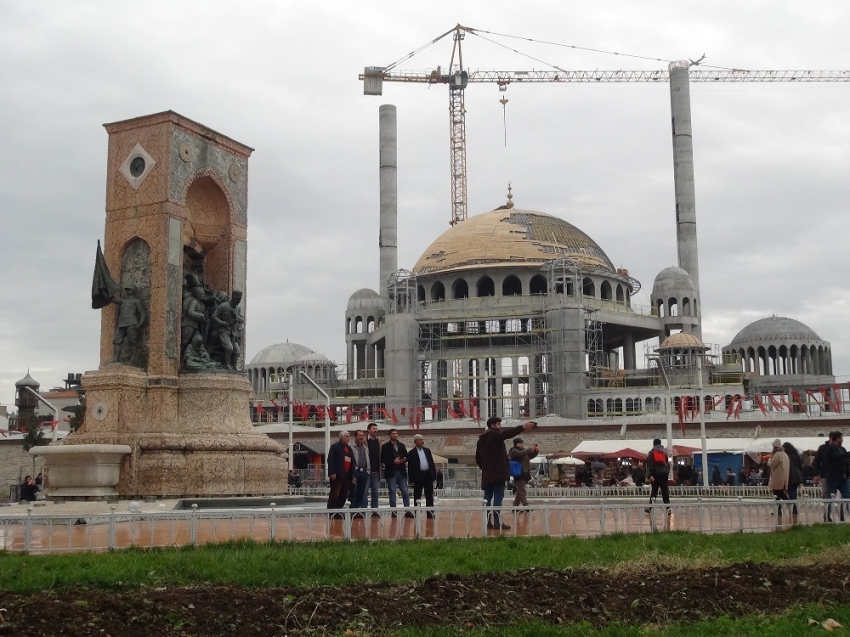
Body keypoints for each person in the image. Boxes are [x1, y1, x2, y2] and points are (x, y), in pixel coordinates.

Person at [475, 416, 536, 530]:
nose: (500, 426)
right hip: (498, 473)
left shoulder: (481, 440)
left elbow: (478, 458)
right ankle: (497, 522)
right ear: (492, 426)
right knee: (498, 496)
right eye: (498, 424)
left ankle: (488, 522)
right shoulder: (495, 434)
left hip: (487, 473)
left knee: (487, 497)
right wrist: (522, 427)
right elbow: (508, 434)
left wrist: (485, 468)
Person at [107, 283, 146, 364]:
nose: (126, 291)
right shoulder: (123, 300)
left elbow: (142, 313)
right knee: (116, 340)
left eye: (128, 289)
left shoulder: (136, 301)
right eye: (126, 290)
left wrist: (139, 324)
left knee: (132, 342)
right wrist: (107, 291)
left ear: (132, 291)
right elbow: (113, 299)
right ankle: (115, 358)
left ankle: (132, 360)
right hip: (122, 324)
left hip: (131, 323)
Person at [381, 428, 411, 512]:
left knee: (405, 491)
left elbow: (406, 455)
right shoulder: (385, 446)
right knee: (392, 492)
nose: (395, 435)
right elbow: (383, 459)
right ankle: (393, 510)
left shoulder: (401, 445)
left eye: (396, 433)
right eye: (393, 433)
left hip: (401, 471)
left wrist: (404, 459)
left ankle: (407, 509)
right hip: (391, 472)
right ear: (390, 435)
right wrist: (393, 462)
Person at [823, 431, 850, 522]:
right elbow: (837, 457)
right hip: (833, 477)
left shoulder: (842, 449)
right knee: (830, 497)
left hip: (842, 477)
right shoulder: (830, 449)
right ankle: (827, 516)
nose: (842, 440)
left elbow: (846, 461)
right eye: (841, 438)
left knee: (847, 496)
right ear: (837, 439)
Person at [406, 433, 437, 510]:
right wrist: (411, 480)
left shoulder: (427, 451)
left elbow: (431, 463)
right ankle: (417, 512)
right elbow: (411, 467)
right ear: (415, 441)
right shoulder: (411, 453)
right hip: (418, 476)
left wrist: (433, 475)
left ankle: (430, 513)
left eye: (423, 439)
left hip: (428, 475)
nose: (422, 441)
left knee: (429, 495)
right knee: (417, 495)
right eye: (420, 440)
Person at [326, 431, 354, 511]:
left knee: (344, 494)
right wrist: (332, 472)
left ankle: (338, 511)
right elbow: (330, 460)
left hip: (347, 475)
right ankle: (331, 511)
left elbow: (352, 461)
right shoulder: (335, 447)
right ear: (341, 437)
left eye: (349, 436)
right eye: (346, 436)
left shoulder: (349, 449)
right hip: (337, 475)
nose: (348, 438)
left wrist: (352, 475)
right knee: (335, 494)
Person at [508, 438, 539, 509]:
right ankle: (525, 505)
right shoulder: (514, 451)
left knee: (520, 490)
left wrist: (535, 451)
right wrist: (529, 449)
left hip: (525, 473)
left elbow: (529, 456)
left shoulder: (523, 451)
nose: (522, 445)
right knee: (522, 490)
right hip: (519, 473)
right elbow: (521, 454)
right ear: (517, 444)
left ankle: (515, 505)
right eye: (521, 444)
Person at [768, 439, 790, 524]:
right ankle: (781, 509)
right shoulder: (785, 454)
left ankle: (783, 508)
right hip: (783, 477)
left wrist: (769, 460)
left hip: (777, 478)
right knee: (780, 494)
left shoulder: (777, 455)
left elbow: (771, 465)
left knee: (777, 494)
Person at [645, 439, 670, 512]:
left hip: (656, 475)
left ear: (654, 444)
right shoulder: (664, 452)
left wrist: (650, 475)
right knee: (665, 492)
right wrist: (667, 473)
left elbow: (650, 465)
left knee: (654, 491)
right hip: (664, 475)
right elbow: (667, 463)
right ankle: (668, 508)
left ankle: (650, 508)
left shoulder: (652, 452)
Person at [349, 429, 371, 510]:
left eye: (362, 435)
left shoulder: (365, 448)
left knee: (361, 493)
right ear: (355, 436)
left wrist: (368, 471)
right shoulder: (351, 447)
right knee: (354, 492)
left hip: (364, 472)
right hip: (355, 472)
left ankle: (359, 511)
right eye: (359, 435)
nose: (361, 437)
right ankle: (352, 510)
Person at [783, 441, 804, 524]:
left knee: (791, 492)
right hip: (798, 476)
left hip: (791, 476)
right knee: (793, 491)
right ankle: (793, 507)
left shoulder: (787, 456)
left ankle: (793, 508)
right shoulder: (796, 455)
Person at [365, 423, 382, 511]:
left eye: (376, 428)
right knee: (365, 492)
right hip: (366, 471)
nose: (375, 430)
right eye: (373, 428)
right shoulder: (364, 440)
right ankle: (363, 510)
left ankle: (374, 510)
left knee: (375, 492)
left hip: (376, 471)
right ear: (368, 430)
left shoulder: (378, 440)